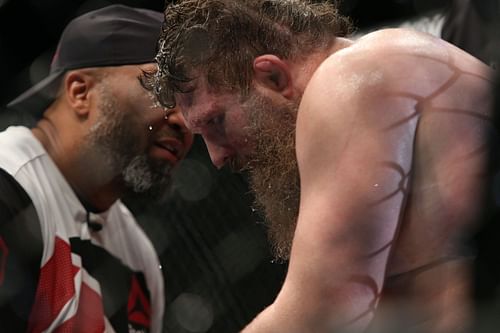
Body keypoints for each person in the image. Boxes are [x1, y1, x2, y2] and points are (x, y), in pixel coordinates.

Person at [145, 0, 495, 332]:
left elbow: (327, 308)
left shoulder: (348, 77)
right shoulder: (383, 76)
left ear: (272, 77)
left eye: (217, 121)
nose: (217, 158)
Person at [0, 4, 193, 333]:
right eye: (162, 92)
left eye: (192, 103)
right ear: (80, 92)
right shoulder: (9, 179)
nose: (185, 121)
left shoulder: (140, 258)